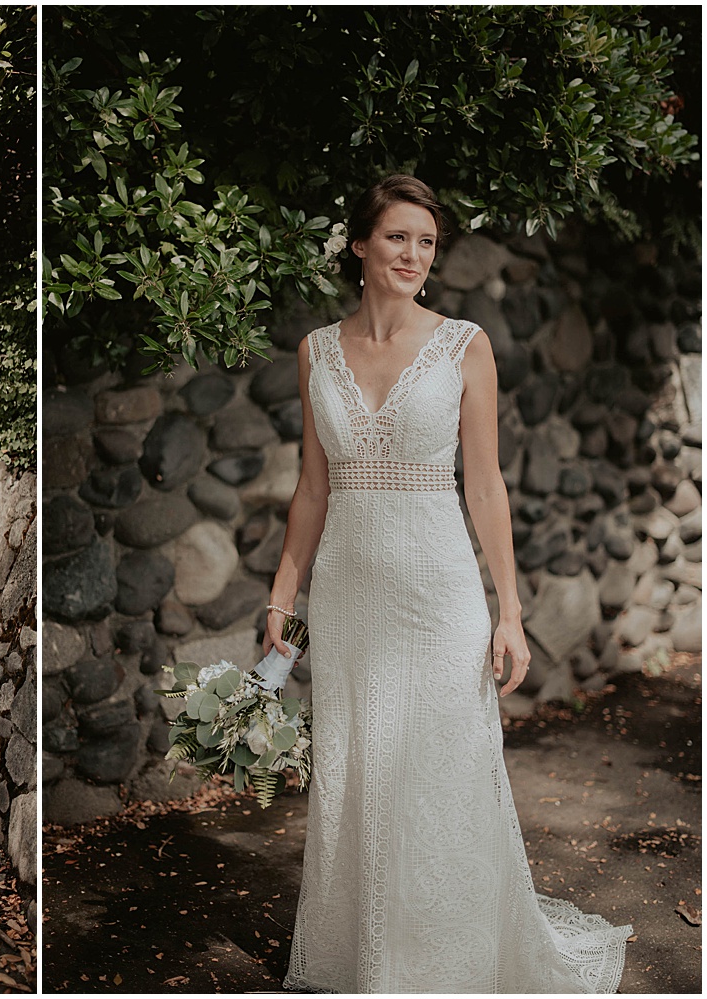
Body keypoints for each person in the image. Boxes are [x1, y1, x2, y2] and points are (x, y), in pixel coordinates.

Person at [268, 176, 632, 992]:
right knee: (359, 769)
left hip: (438, 595)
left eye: (427, 242)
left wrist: (511, 611)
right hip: (349, 595)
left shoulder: (465, 344)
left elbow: (486, 486)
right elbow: (312, 490)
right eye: (397, 236)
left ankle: (445, 960)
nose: (413, 254)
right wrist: (282, 601)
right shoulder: (315, 352)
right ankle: (368, 956)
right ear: (359, 243)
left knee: (443, 768)